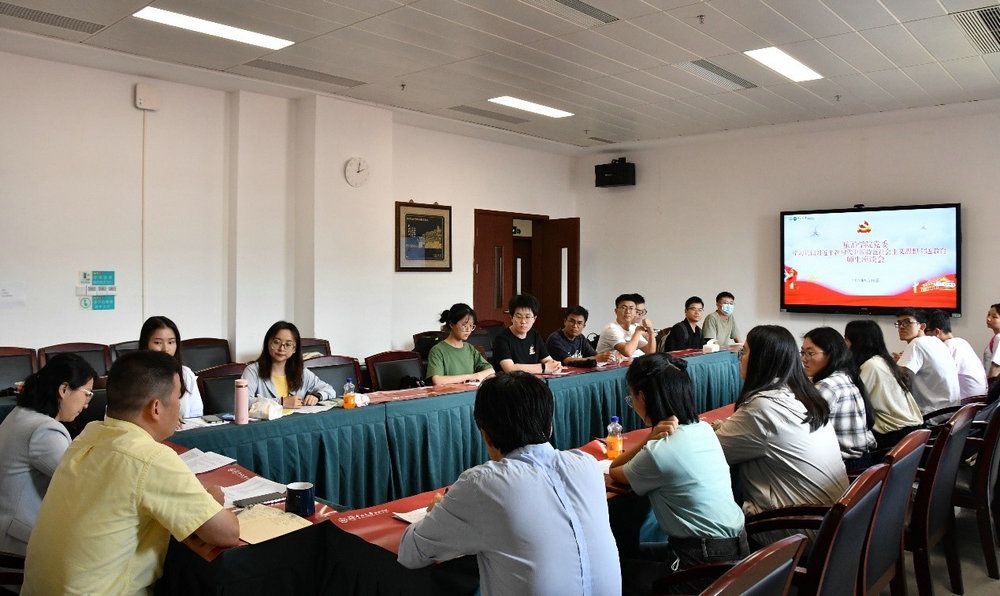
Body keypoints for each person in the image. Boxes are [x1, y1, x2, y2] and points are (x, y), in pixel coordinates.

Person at [23, 351, 239, 593]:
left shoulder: (89, 434)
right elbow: (227, 533)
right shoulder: (151, 457)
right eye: (178, 397)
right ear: (156, 408)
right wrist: (212, 501)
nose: (180, 407)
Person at [397, 372, 621, 595]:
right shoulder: (587, 465)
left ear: (485, 435)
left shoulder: (482, 484)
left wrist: (436, 512)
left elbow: (411, 553)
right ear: (550, 426)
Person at [609, 354, 746, 594]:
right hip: (738, 549)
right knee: (633, 554)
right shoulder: (703, 429)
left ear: (643, 397)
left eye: (631, 397)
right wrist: (652, 438)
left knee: (614, 572)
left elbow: (614, 471)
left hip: (702, 561)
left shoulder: (660, 451)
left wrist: (648, 440)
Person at [715, 326, 848, 534]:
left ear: (761, 361)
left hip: (794, 532)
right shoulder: (803, 395)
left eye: (744, 352)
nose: (740, 358)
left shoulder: (762, 407)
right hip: (831, 525)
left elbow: (710, 454)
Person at [0, 354, 96, 555]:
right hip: (20, 540)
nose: (87, 404)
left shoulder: (21, 414)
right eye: (87, 394)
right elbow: (83, 482)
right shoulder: (45, 430)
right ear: (64, 390)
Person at [801, 327, 876, 473]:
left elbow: (803, 430)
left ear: (831, 354)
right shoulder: (845, 375)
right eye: (802, 352)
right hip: (862, 462)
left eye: (810, 353)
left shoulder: (827, 386)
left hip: (844, 468)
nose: (804, 359)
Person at [844, 320, 924, 452]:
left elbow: (852, 403)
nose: (844, 345)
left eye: (846, 339)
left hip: (893, 437)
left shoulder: (871, 366)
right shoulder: (883, 361)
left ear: (856, 342)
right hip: (909, 433)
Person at [242, 321, 335, 406]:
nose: (281, 348)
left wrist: (317, 396)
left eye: (288, 344)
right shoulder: (252, 371)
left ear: (294, 349)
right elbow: (244, 402)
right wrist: (281, 402)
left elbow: (330, 390)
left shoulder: (301, 372)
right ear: (268, 343)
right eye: (276, 342)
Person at [893, 308, 960, 416]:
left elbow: (898, 380)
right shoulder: (936, 341)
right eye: (899, 323)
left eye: (907, 322)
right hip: (950, 412)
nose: (901, 326)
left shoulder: (916, 344)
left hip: (932, 415)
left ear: (922, 326)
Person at [139, 315, 204, 418]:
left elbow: (197, 414)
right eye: (158, 342)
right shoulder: (134, 376)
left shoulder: (186, 374)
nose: (165, 349)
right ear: (145, 344)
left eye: (171, 342)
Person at [426, 303, 496, 385]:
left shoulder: (470, 349)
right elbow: (438, 381)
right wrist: (471, 377)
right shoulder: (437, 350)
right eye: (464, 325)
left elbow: (490, 370)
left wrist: (478, 375)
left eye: (471, 326)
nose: (468, 329)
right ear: (451, 324)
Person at [492, 294, 562, 374]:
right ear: (511, 317)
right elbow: (510, 369)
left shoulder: (535, 335)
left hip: (532, 379)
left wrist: (555, 366)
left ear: (534, 319)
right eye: (519, 317)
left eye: (527, 317)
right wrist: (543, 368)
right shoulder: (501, 339)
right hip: (510, 381)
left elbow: (548, 360)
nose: (523, 321)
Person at [925, 309, 988, 399]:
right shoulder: (961, 342)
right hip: (978, 398)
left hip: (967, 402)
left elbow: (939, 377)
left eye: (926, 333)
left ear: (937, 332)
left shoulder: (948, 346)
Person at [546, 306, 612, 367]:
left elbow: (594, 355)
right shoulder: (555, 338)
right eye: (572, 321)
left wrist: (607, 357)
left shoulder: (581, 338)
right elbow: (568, 361)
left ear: (584, 326)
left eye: (579, 323)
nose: (575, 326)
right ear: (565, 321)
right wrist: (596, 358)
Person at [596, 293, 655, 358]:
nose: (628, 311)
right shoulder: (611, 329)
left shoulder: (633, 328)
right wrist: (638, 332)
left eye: (631, 308)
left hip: (627, 363)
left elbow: (650, 352)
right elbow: (628, 352)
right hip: (607, 364)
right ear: (616, 311)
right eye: (624, 308)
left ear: (635, 312)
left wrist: (651, 331)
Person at [984, 303, 1000, 384]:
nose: (988, 319)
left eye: (994, 317)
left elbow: (996, 369)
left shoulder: (999, 338)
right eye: (988, 314)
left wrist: (989, 387)